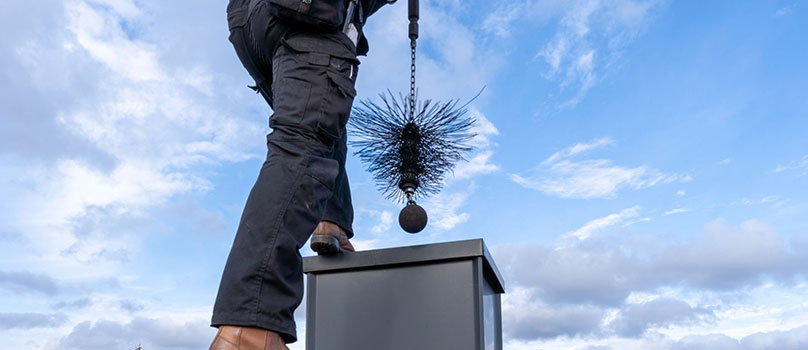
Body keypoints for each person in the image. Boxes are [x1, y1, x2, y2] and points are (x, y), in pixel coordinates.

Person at [209, 0, 396, 349]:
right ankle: (250, 329)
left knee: (321, 121)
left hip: (251, 21)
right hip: (308, 11)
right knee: (302, 146)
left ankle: (332, 220)